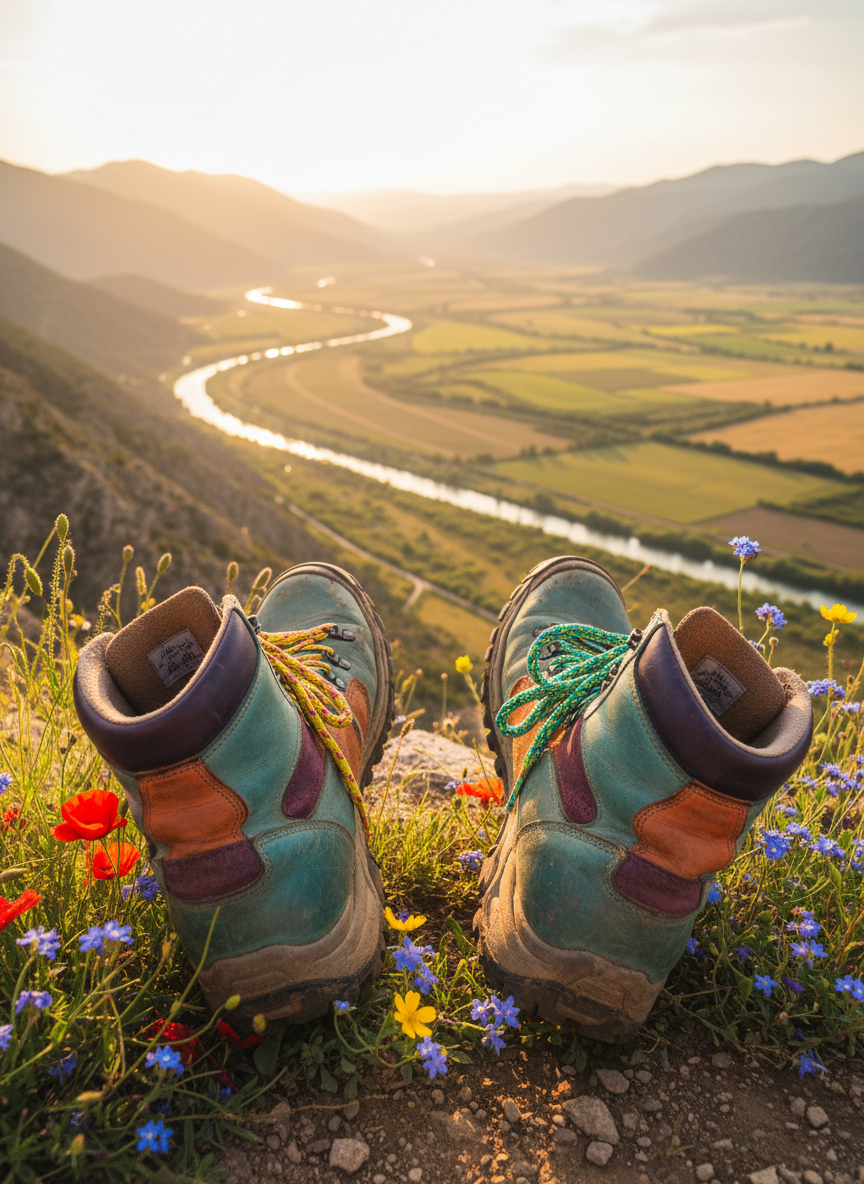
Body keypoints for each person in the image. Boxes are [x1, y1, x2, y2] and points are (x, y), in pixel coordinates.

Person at [73, 557, 812, 1041]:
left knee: (201, 739)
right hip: (646, 926)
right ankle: (627, 899)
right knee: (684, 751)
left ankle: (250, 876)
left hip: (218, 911)